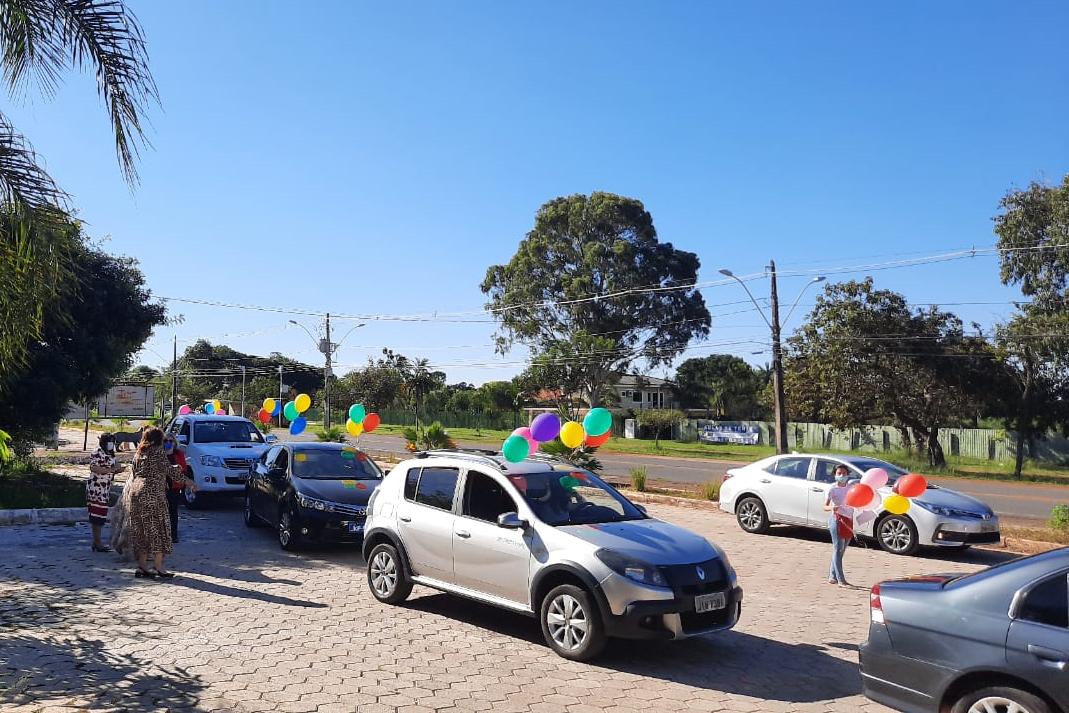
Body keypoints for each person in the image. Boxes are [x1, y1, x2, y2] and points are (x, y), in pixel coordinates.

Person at [127, 427, 195, 578]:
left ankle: (142, 566)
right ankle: (159, 567)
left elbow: (134, 471)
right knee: (158, 529)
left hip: (136, 493)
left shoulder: (139, 453)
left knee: (141, 530)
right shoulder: (158, 452)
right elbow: (170, 472)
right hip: (153, 494)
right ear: (159, 440)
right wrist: (189, 482)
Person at [87, 433, 124, 552]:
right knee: (96, 516)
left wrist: (117, 469)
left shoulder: (110, 454)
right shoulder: (97, 452)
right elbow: (94, 467)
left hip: (105, 489)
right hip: (96, 488)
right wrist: (111, 470)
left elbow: (114, 466)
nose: (111, 444)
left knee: (101, 515)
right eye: (109, 441)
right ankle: (97, 543)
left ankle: (96, 542)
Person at [823, 465, 854, 586]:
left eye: (844, 473)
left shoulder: (851, 487)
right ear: (835, 474)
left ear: (848, 474)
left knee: (842, 550)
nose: (841, 475)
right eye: (839, 473)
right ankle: (841, 579)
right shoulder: (832, 489)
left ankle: (832, 576)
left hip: (848, 520)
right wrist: (832, 507)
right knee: (838, 548)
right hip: (836, 520)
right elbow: (824, 506)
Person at [163, 434, 188, 542]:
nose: (169, 442)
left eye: (171, 441)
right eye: (166, 441)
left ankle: (173, 535)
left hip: (174, 486)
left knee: (173, 511)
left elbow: (184, 469)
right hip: (161, 487)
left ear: (174, 442)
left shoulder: (179, 454)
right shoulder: (159, 454)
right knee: (162, 511)